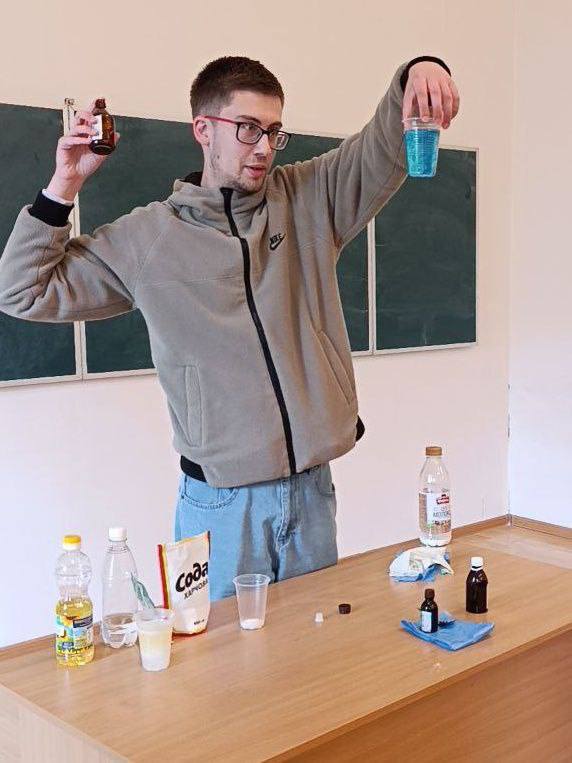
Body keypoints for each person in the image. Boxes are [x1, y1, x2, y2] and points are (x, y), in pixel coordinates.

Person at [0, 55, 459, 599]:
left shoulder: (308, 200)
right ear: (203, 129)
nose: (263, 146)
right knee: (221, 653)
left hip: (311, 491)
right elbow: (22, 290)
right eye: (247, 129)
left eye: (273, 131)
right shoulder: (148, 239)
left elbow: (380, 147)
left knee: (314, 646)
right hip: (220, 503)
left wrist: (418, 71)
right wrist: (64, 185)